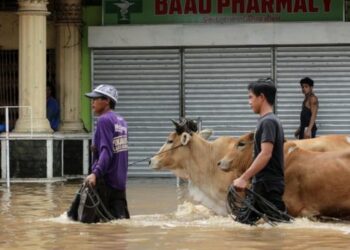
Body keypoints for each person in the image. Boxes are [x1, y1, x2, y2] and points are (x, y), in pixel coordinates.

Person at [233, 78, 287, 224]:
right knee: (248, 224)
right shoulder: (272, 120)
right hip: (266, 184)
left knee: (277, 225)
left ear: (261, 97)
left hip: (267, 185)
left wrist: (244, 178)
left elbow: (266, 154)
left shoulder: (268, 122)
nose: (248, 102)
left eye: (250, 97)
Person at [85, 84, 130, 220]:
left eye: (96, 99)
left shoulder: (104, 120)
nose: (92, 103)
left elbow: (106, 151)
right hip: (119, 182)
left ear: (107, 101)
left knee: (92, 226)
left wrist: (95, 174)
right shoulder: (121, 122)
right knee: (119, 224)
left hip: (105, 182)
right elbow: (120, 151)